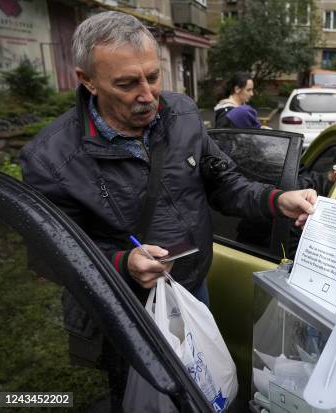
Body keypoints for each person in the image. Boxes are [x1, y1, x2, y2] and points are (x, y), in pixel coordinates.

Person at [19, 11, 316, 410]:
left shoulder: (182, 114)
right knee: (140, 399)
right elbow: (48, 256)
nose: (148, 95)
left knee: (199, 389)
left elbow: (224, 183)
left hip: (192, 288)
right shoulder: (50, 159)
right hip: (122, 309)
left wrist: (276, 200)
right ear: (87, 80)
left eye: (153, 76)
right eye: (126, 83)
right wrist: (124, 263)